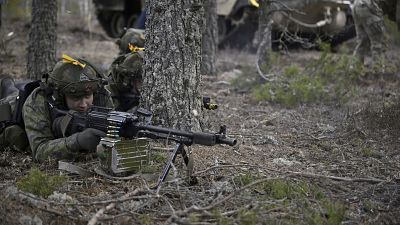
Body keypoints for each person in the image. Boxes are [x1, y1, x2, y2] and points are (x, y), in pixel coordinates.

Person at [22, 55, 114, 162]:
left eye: (88, 96)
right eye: (76, 98)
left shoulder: (101, 95)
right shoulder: (38, 101)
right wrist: (76, 141)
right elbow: (39, 151)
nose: (83, 104)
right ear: (60, 95)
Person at [352, 0, 386, 72]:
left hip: (356, 5)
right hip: (367, 5)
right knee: (377, 42)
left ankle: (355, 68)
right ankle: (378, 70)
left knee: (362, 41)